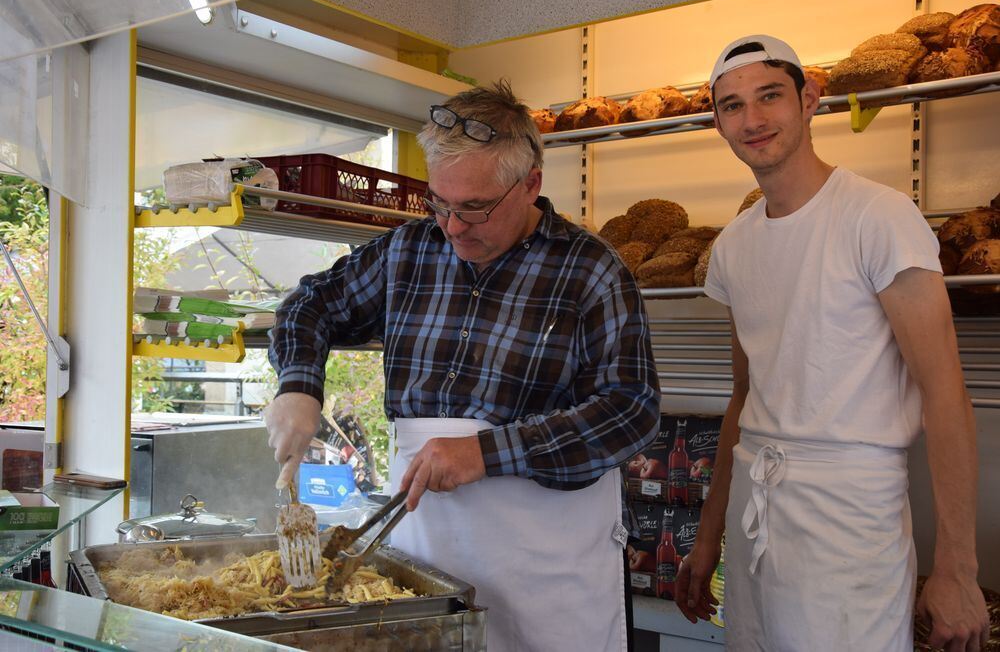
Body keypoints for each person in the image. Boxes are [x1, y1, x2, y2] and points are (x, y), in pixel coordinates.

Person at [265, 81, 661, 652]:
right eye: (440, 203)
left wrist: (485, 452)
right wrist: (298, 388)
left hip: (545, 567)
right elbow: (310, 305)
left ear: (531, 185)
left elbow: (631, 411)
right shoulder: (410, 248)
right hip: (425, 550)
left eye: (474, 208)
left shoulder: (591, 269)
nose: (452, 227)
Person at [673, 34, 990, 651]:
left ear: (809, 99)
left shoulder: (879, 217)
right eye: (733, 105)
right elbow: (745, 398)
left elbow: (946, 394)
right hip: (755, 510)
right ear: (717, 122)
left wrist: (957, 569)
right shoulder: (734, 247)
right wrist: (709, 537)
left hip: (849, 520)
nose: (753, 119)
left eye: (770, 97)